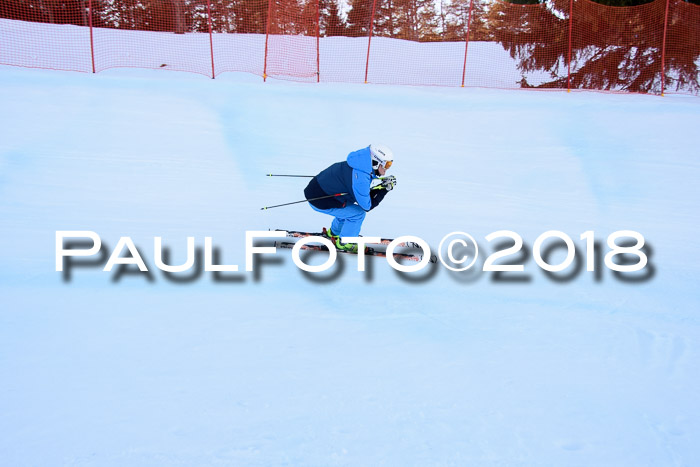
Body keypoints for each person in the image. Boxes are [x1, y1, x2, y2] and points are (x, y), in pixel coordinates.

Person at [304, 144, 397, 252]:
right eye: (386, 165)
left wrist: (381, 187)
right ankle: (345, 243)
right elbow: (367, 205)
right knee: (357, 214)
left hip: (317, 193)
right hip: (320, 199)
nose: (387, 169)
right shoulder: (361, 177)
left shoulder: (360, 165)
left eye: (389, 165)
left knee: (347, 209)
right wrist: (384, 189)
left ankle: (334, 234)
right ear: (375, 162)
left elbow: (361, 194)